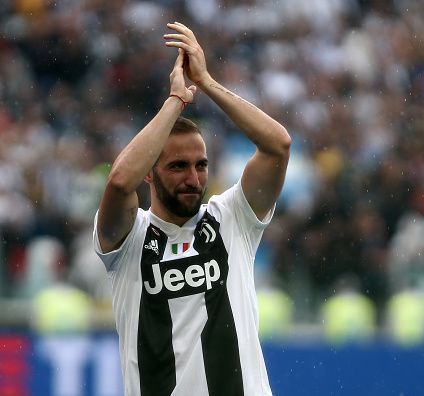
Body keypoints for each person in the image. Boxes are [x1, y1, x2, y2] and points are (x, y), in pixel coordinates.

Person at [93, 22, 291, 396]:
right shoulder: (128, 239)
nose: (193, 178)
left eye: (200, 165)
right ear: (149, 175)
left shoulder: (232, 218)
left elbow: (278, 145)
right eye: (177, 166)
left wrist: (207, 83)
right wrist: (176, 100)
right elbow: (120, 181)